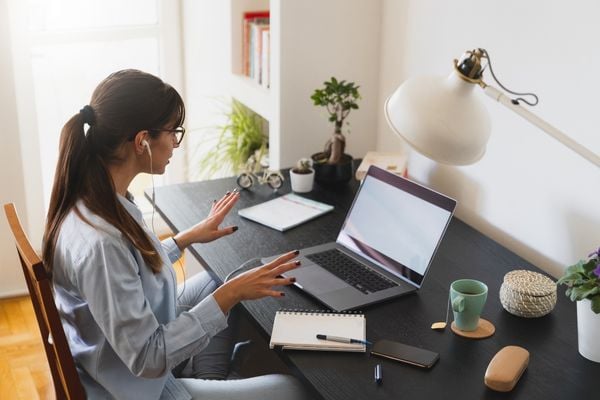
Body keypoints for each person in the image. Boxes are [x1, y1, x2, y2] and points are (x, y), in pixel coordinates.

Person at [42, 69, 309, 400]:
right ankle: (207, 381)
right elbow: (147, 358)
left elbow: (130, 267)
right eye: (173, 132)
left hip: (120, 355)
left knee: (224, 277)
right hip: (135, 386)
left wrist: (186, 238)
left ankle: (211, 376)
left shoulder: (95, 197)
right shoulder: (102, 243)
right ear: (142, 141)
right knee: (293, 390)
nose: (175, 143)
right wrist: (231, 295)